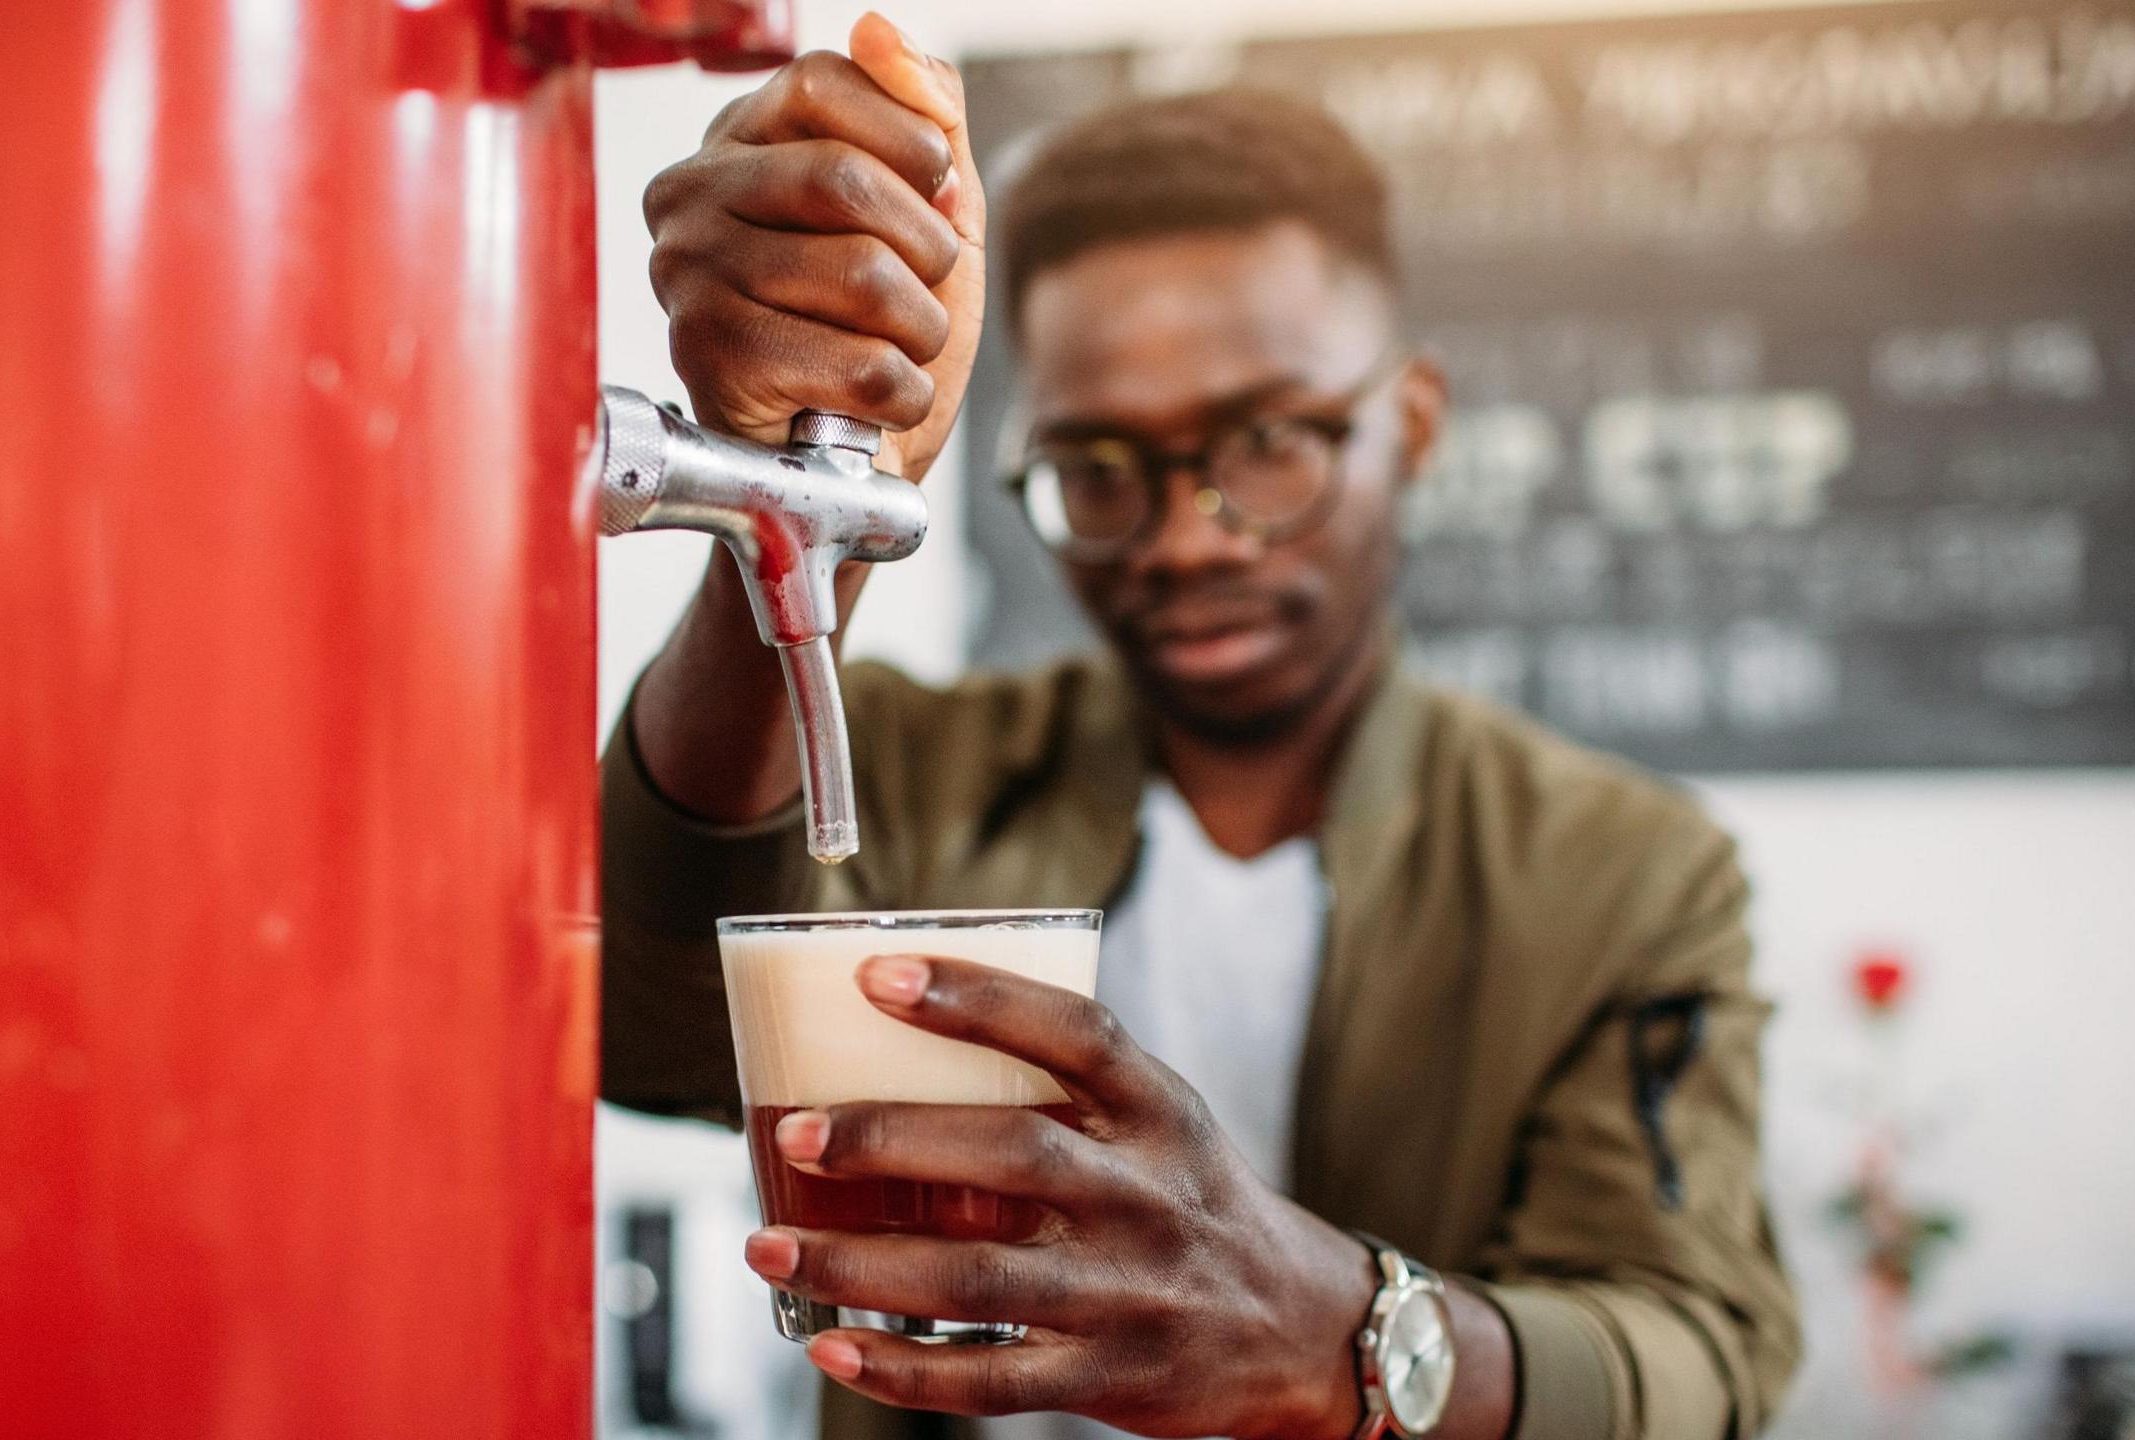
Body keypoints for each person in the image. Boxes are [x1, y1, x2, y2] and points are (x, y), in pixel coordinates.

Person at [601, 14, 1800, 1440]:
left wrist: (1342, 1334)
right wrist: (814, 482)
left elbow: (1693, 1360)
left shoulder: (1624, 873)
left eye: (1268, 443)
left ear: (1410, 427)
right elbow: (652, 1030)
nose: (1185, 540)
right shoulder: (911, 771)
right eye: (1100, 467)